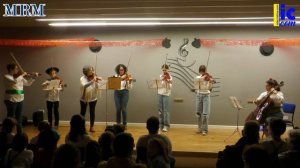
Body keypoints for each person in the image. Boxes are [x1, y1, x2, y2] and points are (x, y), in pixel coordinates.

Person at [4, 63, 38, 133]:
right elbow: (15, 81)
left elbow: (28, 83)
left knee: (19, 117)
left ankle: (20, 133)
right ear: (11, 69)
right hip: (11, 99)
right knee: (11, 117)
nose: (18, 70)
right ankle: (8, 133)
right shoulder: (7, 76)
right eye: (16, 68)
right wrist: (22, 74)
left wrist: (33, 77)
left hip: (20, 99)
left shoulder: (20, 77)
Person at [80, 65, 101, 132]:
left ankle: (92, 127)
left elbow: (98, 87)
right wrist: (92, 80)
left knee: (92, 112)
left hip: (93, 97)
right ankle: (81, 127)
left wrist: (97, 82)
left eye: (92, 70)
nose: (92, 71)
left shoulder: (94, 77)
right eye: (90, 70)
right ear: (86, 72)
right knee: (83, 112)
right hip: (84, 98)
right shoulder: (82, 78)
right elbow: (84, 85)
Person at [194, 65, 214, 136]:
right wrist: (202, 79)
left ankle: (205, 130)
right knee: (198, 113)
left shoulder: (208, 77)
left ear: (205, 70)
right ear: (200, 71)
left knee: (205, 114)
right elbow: (196, 87)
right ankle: (200, 128)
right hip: (199, 95)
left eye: (204, 71)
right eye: (201, 71)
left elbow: (211, 86)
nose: (202, 72)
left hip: (206, 95)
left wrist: (210, 80)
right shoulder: (197, 78)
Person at [113, 64, 133, 128]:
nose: (121, 71)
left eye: (122, 70)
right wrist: (121, 78)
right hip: (117, 92)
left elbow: (130, 88)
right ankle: (118, 124)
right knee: (118, 109)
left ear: (124, 70)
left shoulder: (127, 76)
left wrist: (129, 81)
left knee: (123, 108)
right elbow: (113, 85)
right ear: (118, 70)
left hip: (125, 92)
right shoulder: (115, 76)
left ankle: (125, 124)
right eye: (120, 70)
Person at [158, 64, 172, 132]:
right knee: (160, 110)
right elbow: (158, 85)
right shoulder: (160, 76)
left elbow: (170, 87)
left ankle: (166, 125)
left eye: (165, 70)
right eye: (163, 70)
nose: (164, 71)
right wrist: (161, 80)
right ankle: (161, 124)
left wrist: (167, 81)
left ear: (168, 69)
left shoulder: (170, 77)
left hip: (166, 94)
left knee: (165, 111)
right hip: (160, 93)